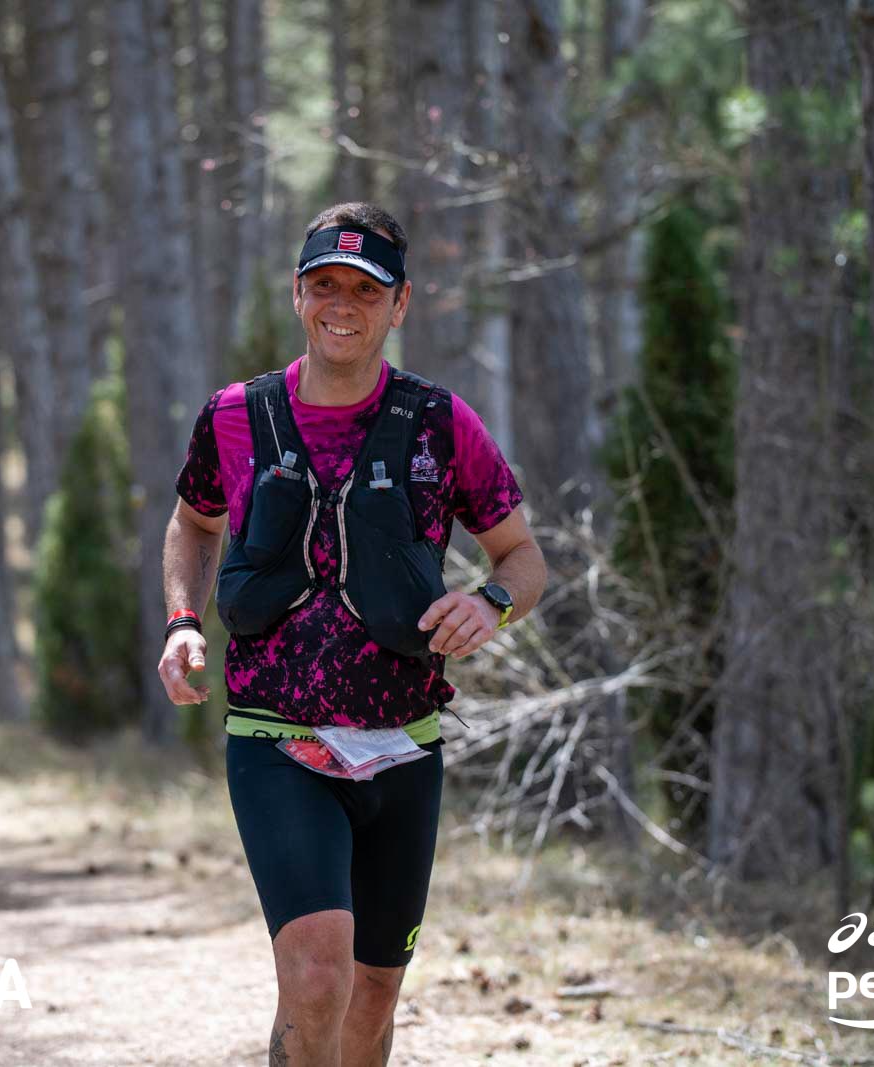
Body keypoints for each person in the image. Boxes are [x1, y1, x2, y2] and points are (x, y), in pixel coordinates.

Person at [160, 202, 547, 1065]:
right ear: (298, 294)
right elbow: (192, 522)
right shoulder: (235, 415)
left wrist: (491, 602)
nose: (343, 305)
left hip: (404, 744)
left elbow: (522, 555)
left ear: (400, 303)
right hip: (277, 740)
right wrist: (184, 620)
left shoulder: (441, 424)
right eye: (325, 284)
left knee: (372, 996)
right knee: (317, 971)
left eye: (366, 290)